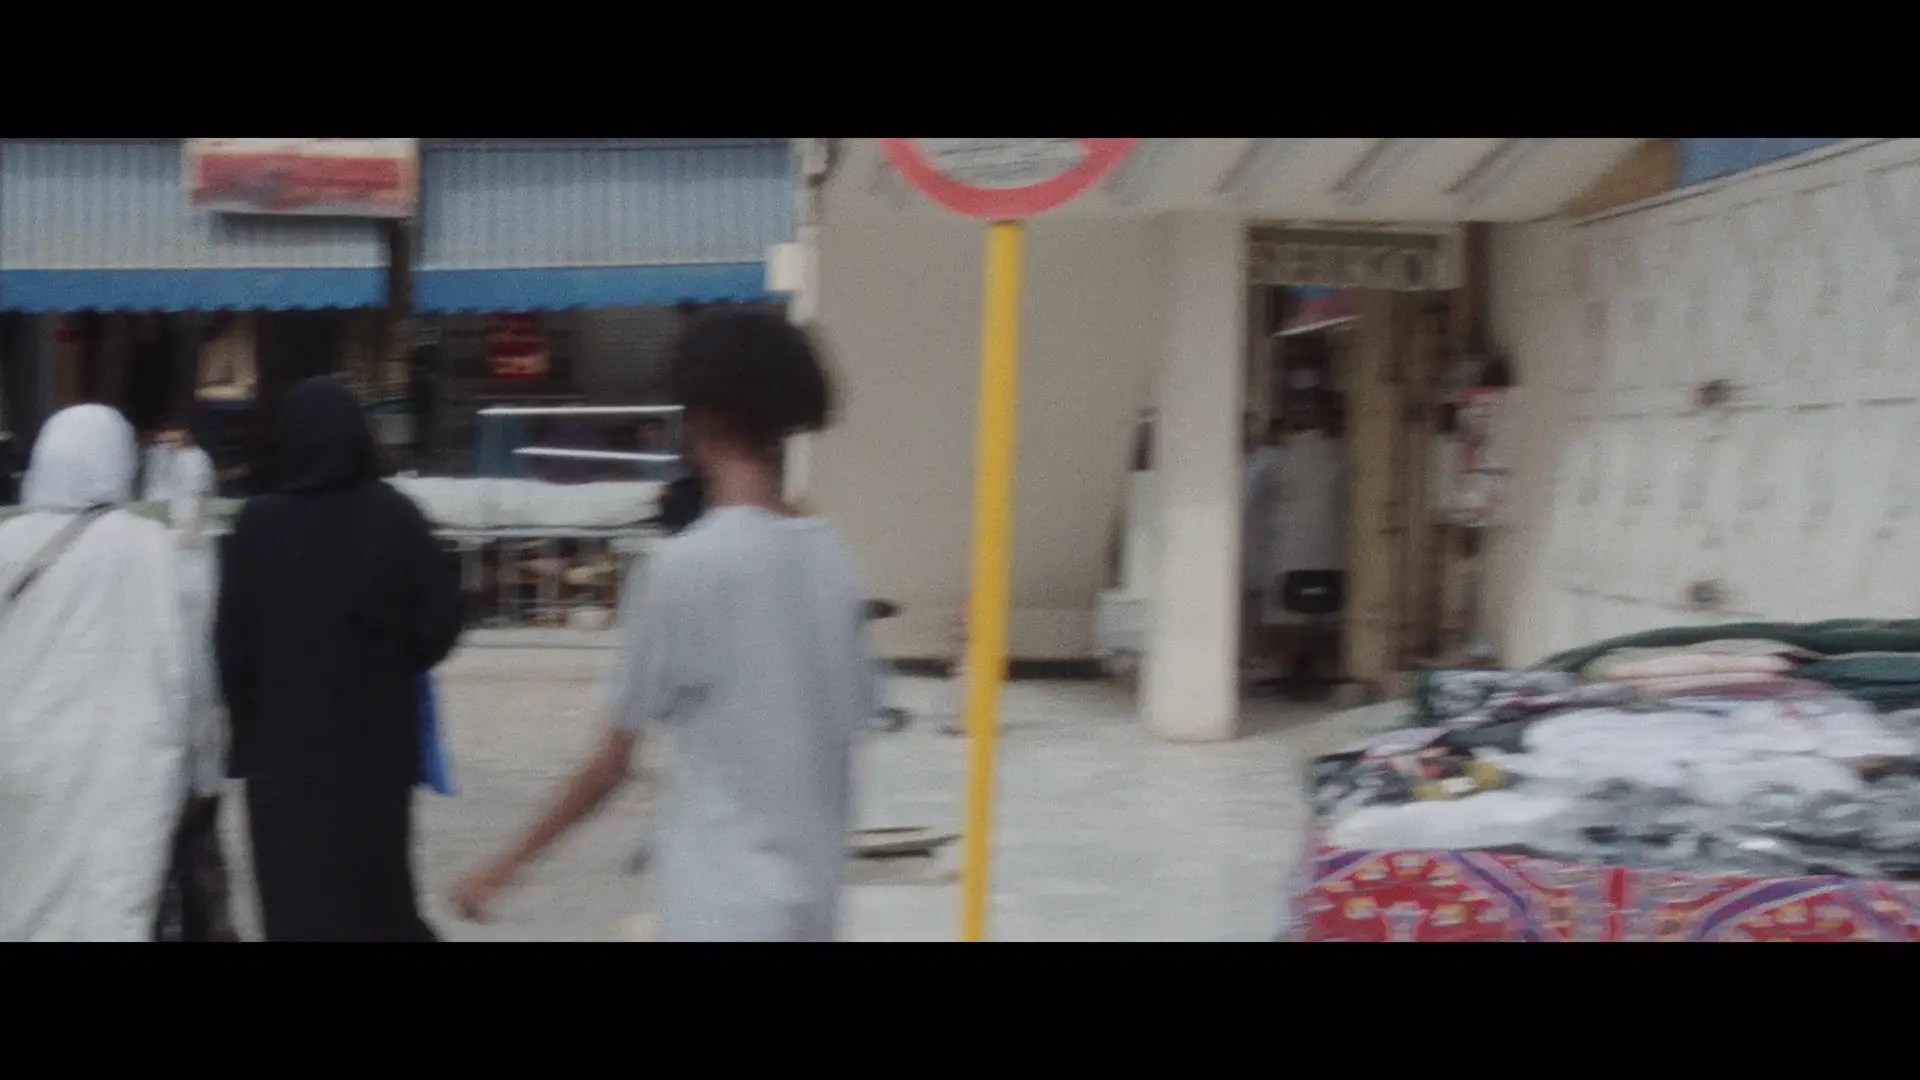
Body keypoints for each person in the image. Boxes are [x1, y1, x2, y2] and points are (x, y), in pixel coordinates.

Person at [451, 309, 872, 942]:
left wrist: (502, 867)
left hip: (719, 908)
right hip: (812, 907)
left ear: (701, 419)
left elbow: (612, 763)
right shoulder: (834, 561)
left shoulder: (684, 568)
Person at [216, 376, 463, 942]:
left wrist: (250, 728)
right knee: (376, 897)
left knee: (296, 900)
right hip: (374, 749)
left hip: (284, 757)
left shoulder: (257, 526)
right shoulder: (396, 516)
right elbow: (442, 619)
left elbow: (231, 647)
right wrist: (390, 661)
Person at [0, 405, 189, 941]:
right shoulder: (152, 546)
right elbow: (179, 667)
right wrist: (198, 764)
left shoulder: (7, 543)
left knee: (22, 905)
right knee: (111, 906)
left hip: (22, 764)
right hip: (125, 769)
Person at [142, 412, 239, 941]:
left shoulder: (179, 556)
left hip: (173, 746)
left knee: (178, 858)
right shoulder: (174, 556)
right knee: (191, 857)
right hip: (181, 745)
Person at [1259, 391, 1348, 689]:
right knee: (1307, 612)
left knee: (1308, 613)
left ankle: (1303, 667)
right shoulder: (1314, 452)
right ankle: (1301, 667)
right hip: (1312, 552)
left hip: (1308, 552)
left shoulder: (1292, 454)